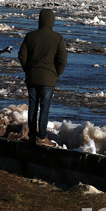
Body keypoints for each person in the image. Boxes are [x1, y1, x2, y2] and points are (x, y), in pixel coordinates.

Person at [18, 8, 68, 146]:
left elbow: (22, 55)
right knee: (44, 108)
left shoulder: (30, 36)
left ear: (40, 20)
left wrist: (28, 70)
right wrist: (57, 74)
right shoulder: (57, 38)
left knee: (33, 106)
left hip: (32, 77)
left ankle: (32, 136)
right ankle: (42, 137)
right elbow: (62, 59)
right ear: (52, 21)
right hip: (48, 79)